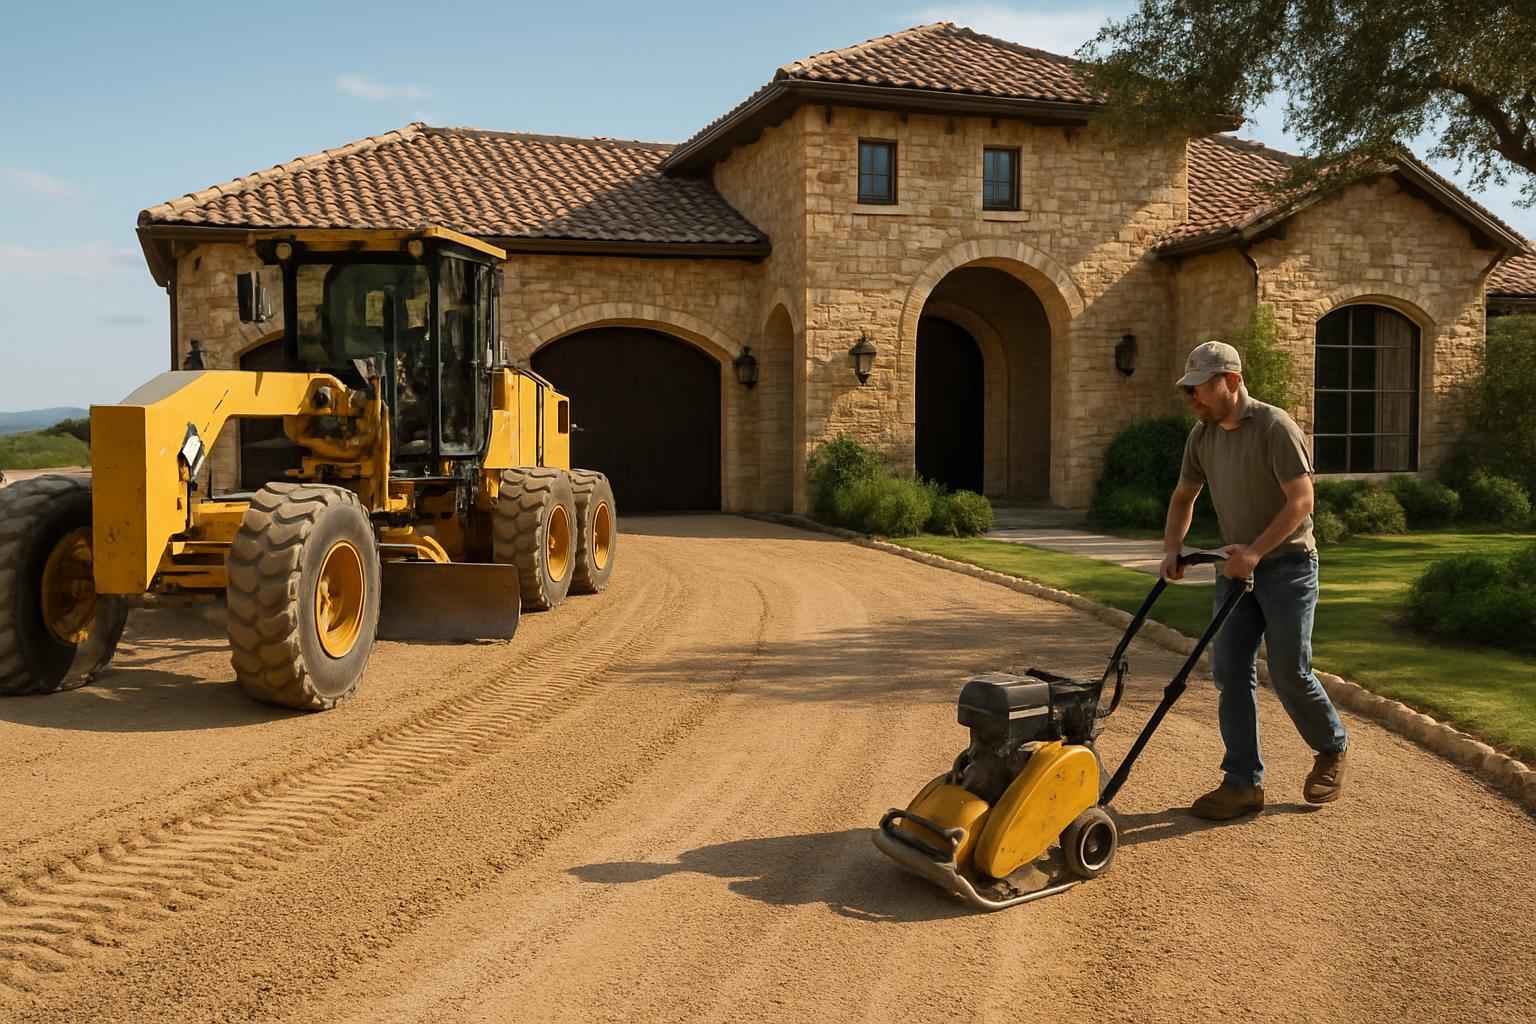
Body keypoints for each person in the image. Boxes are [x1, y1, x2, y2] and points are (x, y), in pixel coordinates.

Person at [1160, 340, 1349, 820]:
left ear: (1231, 381)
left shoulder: (1273, 426)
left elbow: (1301, 501)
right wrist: (1172, 550)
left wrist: (1257, 552)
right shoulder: (1201, 436)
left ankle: (1330, 747)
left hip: (1287, 566)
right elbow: (1185, 496)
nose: (1192, 398)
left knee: (1289, 671)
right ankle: (1242, 783)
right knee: (1229, 672)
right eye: (1188, 390)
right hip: (1235, 569)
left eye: (1199, 388)